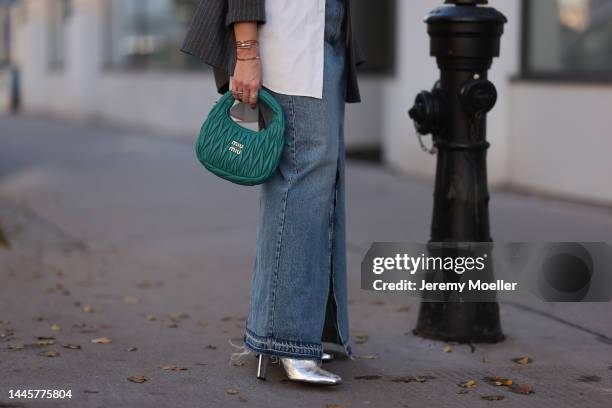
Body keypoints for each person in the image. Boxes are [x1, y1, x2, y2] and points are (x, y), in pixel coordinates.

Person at [182, 0, 364, 385]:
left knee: (318, 184)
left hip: (322, 36)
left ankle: (299, 332)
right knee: (301, 182)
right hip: (290, 39)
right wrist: (246, 51)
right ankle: (285, 340)